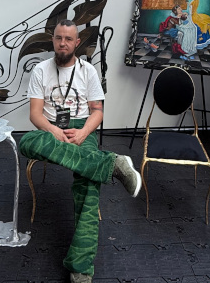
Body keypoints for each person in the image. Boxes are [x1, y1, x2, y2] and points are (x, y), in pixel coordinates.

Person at [19, 19, 142, 283]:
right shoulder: (41, 70)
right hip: (51, 129)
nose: (62, 43)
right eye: (58, 38)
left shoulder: (88, 71)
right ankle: (111, 164)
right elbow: (35, 114)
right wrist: (54, 131)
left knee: (87, 185)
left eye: (68, 39)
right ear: (53, 40)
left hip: (81, 128)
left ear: (77, 42)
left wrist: (84, 133)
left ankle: (81, 267)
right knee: (26, 142)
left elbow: (97, 112)